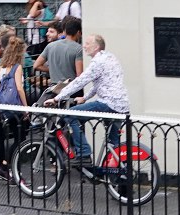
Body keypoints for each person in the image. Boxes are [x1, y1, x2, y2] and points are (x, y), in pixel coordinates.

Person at [47, 34, 130, 166]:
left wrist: (57, 98)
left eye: (87, 43)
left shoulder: (97, 62)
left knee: (69, 114)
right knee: (114, 144)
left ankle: (84, 153)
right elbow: (99, 84)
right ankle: (120, 175)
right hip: (122, 105)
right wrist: (85, 98)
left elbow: (80, 81)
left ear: (96, 47)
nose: (84, 46)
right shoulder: (109, 57)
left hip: (108, 103)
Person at [0, 36, 27, 181]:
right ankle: (11, 168)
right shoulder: (17, 67)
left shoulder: (2, 66)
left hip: (4, 107)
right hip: (15, 108)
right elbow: (19, 88)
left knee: (11, 138)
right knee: (20, 139)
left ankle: (6, 166)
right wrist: (26, 108)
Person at [35, 17, 84, 92]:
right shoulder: (79, 49)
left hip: (54, 89)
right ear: (78, 32)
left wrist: (52, 69)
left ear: (64, 31)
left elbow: (36, 65)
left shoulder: (50, 46)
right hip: (71, 89)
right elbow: (79, 76)